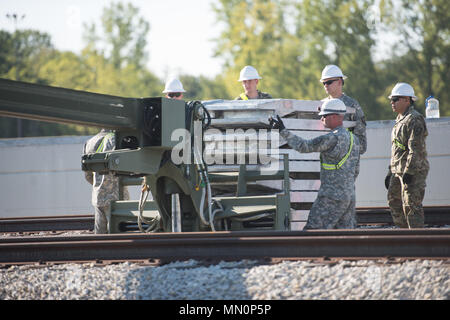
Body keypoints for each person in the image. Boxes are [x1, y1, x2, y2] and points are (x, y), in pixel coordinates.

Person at [269, 99, 360, 229]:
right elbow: (356, 170)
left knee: (313, 232)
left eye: (324, 116)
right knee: (343, 236)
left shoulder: (332, 138)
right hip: (349, 196)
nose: (321, 118)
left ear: (334, 116)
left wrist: (282, 130)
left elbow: (304, 146)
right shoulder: (354, 139)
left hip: (331, 196)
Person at [384, 83, 429, 228]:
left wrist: (409, 172)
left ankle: (416, 238)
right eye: (391, 99)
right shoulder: (400, 119)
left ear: (407, 100)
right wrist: (390, 171)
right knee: (394, 201)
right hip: (398, 171)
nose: (392, 102)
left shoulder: (414, 119)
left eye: (396, 99)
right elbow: (396, 149)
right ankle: (404, 234)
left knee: (411, 206)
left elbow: (415, 149)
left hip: (412, 171)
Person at [83, 129, 129, 234]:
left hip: (98, 197)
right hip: (118, 198)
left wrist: (100, 186)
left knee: (101, 238)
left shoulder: (90, 142)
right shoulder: (116, 139)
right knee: (119, 237)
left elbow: (88, 175)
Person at [320, 64, 367, 155]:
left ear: (340, 82)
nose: (326, 85)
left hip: (346, 164)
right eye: (324, 83)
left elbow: (361, 145)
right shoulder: (321, 105)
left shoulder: (352, 105)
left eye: (329, 82)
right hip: (325, 163)